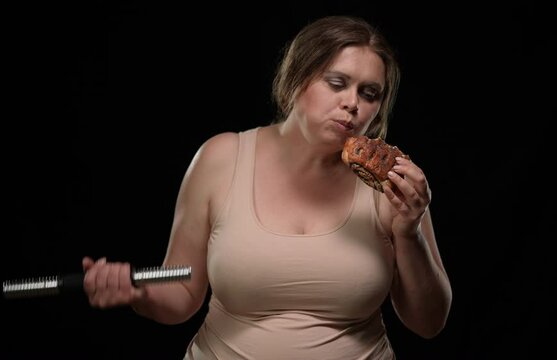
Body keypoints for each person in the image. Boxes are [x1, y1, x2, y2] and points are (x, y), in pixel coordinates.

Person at [82, 15, 452, 359]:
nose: (352, 103)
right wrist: (136, 292)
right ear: (296, 80)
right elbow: (182, 294)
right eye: (336, 83)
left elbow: (429, 323)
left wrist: (410, 231)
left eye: (370, 93)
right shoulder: (221, 157)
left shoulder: (396, 186)